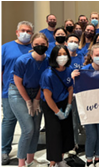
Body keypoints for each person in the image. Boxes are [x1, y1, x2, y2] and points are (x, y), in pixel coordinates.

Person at [8, 33, 50, 167]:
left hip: (37, 92)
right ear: (32, 45)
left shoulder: (49, 61)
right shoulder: (22, 60)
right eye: (36, 45)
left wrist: (36, 100)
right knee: (28, 128)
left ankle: (30, 160)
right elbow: (17, 82)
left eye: (43, 45)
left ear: (48, 45)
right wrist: (28, 101)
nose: (40, 47)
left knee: (36, 128)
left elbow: (44, 82)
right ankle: (21, 163)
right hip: (18, 92)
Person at [72, 44, 99, 167]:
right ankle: (89, 160)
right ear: (91, 56)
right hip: (88, 108)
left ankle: (98, 158)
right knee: (92, 135)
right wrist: (73, 77)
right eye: (97, 55)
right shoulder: (84, 71)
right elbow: (74, 88)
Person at [2, 21, 33, 165]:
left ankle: (27, 153)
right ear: (17, 32)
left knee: (28, 125)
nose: (25, 33)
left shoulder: (33, 48)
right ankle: (4, 151)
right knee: (9, 120)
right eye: (23, 30)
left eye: (28, 31)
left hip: (30, 90)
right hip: (10, 90)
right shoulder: (6, 47)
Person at [40, 45, 74, 167]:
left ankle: (61, 158)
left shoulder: (69, 70)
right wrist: (57, 112)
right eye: (59, 55)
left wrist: (69, 105)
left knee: (66, 131)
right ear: (54, 57)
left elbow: (70, 88)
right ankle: (53, 162)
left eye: (64, 54)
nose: (62, 57)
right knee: (54, 132)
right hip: (51, 105)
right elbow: (47, 96)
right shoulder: (47, 74)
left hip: (64, 102)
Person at [64, 34, 85, 155]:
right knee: (70, 120)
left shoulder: (81, 57)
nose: (73, 43)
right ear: (66, 43)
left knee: (75, 120)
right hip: (65, 93)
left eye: (76, 41)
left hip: (79, 92)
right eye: (71, 41)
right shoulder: (62, 58)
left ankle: (75, 144)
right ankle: (71, 144)